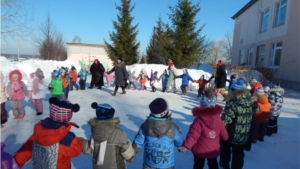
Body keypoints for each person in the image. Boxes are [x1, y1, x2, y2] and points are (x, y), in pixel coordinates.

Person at [14, 97, 83, 169]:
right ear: (68, 117)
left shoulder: (39, 132)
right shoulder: (68, 138)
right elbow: (76, 150)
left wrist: (15, 162)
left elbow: (26, 150)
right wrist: (79, 141)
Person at [179, 88, 228, 169]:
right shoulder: (218, 120)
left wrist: (186, 146)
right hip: (213, 149)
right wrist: (225, 138)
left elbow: (193, 135)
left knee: (198, 165)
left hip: (199, 149)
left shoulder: (198, 120)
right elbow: (224, 133)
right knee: (213, 164)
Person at [132, 98, 183, 169]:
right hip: (166, 164)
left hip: (149, 163)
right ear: (166, 112)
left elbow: (138, 141)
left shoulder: (146, 125)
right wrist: (180, 145)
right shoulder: (172, 127)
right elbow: (179, 140)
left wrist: (132, 152)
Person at [81, 102, 135, 169]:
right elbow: (127, 152)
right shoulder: (120, 133)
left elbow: (89, 149)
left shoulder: (95, 133)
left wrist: (80, 141)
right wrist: (131, 157)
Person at [219, 79, 252, 169]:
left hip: (231, 131)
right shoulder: (248, 100)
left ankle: (224, 164)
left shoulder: (233, 101)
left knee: (225, 147)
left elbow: (227, 118)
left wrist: (220, 126)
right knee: (238, 152)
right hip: (243, 132)